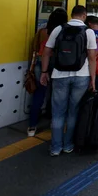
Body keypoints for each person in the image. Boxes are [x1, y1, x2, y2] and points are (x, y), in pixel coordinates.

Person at [40, 5, 97, 156]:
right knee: (74, 112)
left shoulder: (58, 29)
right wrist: (93, 79)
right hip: (81, 76)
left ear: (72, 15)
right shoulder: (89, 32)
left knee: (58, 113)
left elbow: (46, 53)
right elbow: (92, 58)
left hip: (59, 75)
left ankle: (55, 147)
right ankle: (68, 145)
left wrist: (44, 72)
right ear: (84, 16)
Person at [27, 8, 68, 137]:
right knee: (56, 94)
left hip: (40, 63)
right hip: (56, 64)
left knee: (39, 94)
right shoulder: (64, 32)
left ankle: (32, 127)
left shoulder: (42, 31)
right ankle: (53, 122)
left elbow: (35, 48)